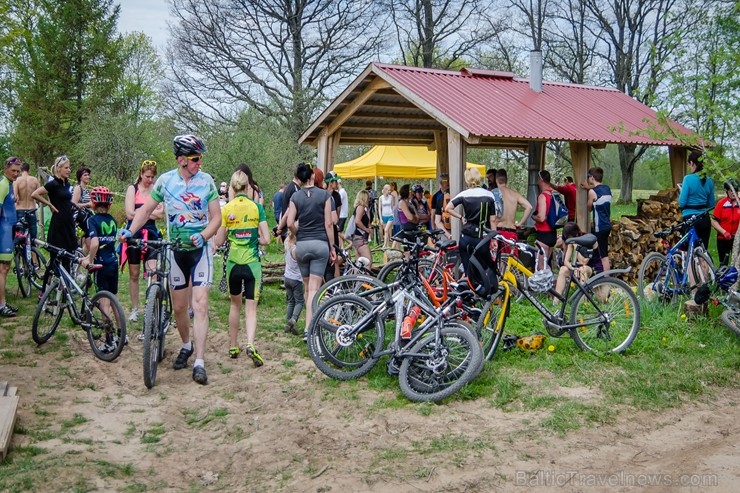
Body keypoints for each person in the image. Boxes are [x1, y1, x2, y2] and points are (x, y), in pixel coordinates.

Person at [119, 134, 220, 386]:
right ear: (182, 160)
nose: (200, 162)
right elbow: (144, 210)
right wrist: (129, 231)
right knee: (178, 308)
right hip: (175, 250)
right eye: (196, 158)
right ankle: (186, 345)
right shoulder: (165, 181)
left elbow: (217, 217)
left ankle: (199, 361)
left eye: (200, 158)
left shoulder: (206, 181)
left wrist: (204, 235)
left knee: (201, 305)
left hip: (200, 251)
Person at [215, 170, 269, 367]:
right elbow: (267, 239)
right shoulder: (256, 208)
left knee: (234, 305)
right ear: (248, 187)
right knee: (251, 308)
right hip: (252, 263)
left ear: (232, 187)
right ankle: (251, 344)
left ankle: (232, 345)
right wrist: (255, 239)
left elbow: (219, 240)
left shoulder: (226, 208)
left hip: (233, 264)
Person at [285, 163, 335, 333]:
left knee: (308, 288)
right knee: (315, 288)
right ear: (312, 176)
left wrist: (297, 233)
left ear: (299, 178)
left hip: (302, 246)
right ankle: (309, 329)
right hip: (320, 244)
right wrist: (333, 247)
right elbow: (329, 224)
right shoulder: (325, 195)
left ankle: (308, 322)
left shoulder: (295, 197)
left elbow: (290, 222)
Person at [123, 160, 164, 324]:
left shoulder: (155, 189)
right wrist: (148, 212)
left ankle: (151, 306)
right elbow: (129, 214)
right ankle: (134, 308)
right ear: (141, 174)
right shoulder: (132, 189)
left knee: (153, 271)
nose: (150, 180)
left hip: (152, 234)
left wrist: (144, 213)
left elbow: (161, 213)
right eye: (147, 176)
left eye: (153, 177)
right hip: (134, 233)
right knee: (134, 273)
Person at [80, 186, 120, 348]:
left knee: (104, 303)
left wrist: (89, 259)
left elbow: (95, 243)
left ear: (94, 204)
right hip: (113, 262)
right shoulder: (113, 220)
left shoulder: (92, 220)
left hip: (101, 265)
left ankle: (109, 340)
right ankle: (121, 334)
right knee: (114, 300)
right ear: (109, 205)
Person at [32, 156, 76, 295]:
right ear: (59, 169)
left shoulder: (67, 184)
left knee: (68, 258)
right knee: (54, 260)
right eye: (66, 167)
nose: (69, 170)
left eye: (69, 167)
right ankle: (44, 291)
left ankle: (65, 291)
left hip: (68, 223)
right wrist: (49, 204)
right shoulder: (53, 184)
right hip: (58, 225)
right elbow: (35, 194)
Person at [444, 167, 498, 274]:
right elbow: (493, 220)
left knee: (468, 270)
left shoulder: (464, 194)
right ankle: (482, 288)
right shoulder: (489, 195)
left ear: (467, 179)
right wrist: (494, 239)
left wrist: (461, 217)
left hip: (466, 237)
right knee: (485, 269)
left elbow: (448, 208)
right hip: (482, 237)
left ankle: (469, 287)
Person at [678, 150, 715, 258]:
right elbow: (711, 203)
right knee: (702, 253)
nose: (690, 167)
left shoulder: (688, 179)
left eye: (690, 164)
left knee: (689, 254)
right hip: (704, 219)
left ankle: (691, 275)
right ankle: (704, 274)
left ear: (692, 163)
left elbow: (682, 202)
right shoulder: (709, 181)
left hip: (690, 219)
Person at [554, 222, 603, 298]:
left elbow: (583, 262)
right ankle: (556, 301)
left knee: (583, 270)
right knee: (563, 270)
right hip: (578, 269)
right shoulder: (571, 242)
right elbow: (566, 261)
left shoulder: (588, 241)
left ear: (576, 234)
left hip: (593, 270)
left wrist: (577, 248)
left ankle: (582, 302)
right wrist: (573, 268)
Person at [0, 157, 21, 317]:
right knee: (4, 269)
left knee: (5, 268)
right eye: (13, 170)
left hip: (9, 230)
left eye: (17, 171)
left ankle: (3, 303)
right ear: (5, 169)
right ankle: (2, 306)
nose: (15, 173)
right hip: (4, 232)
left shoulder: (10, 184)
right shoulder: (3, 185)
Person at [495, 168, 533, 244]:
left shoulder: (494, 193)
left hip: (498, 232)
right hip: (511, 233)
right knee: (511, 256)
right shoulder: (514, 194)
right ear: (506, 180)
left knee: (497, 256)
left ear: (496, 180)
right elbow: (529, 207)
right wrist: (520, 223)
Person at [587, 167, 613, 272]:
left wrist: (588, 190)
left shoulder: (592, 192)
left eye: (588, 177)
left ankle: (606, 278)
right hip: (607, 225)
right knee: (603, 251)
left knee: (603, 255)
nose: (588, 179)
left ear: (592, 178)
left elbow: (589, 208)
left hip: (599, 226)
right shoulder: (607, 189)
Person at [531, 170, 557, 272]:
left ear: (541, 180)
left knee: (541, 266)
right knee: (545, 264)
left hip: (543, 235)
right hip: (552, 233)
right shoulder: (554, 194)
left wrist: (533, 217)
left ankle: (553, 286)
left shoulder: (543, 196)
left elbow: (541, 217)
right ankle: (550, 285)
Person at [711, 179, 739, 266]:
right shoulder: (721, 204)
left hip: (737, 238)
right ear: (726, 191)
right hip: (723, 238)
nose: (734, 193)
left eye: (736, 190)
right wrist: (724, 232)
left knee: (737, 262)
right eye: (731, 191)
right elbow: (714, 221)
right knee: (724, 262)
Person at [13, 162, 41, 246]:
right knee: (33, 237)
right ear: (29, 170)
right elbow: (40, 194)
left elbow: (14, 197)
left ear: (20, 170)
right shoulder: (35, 180)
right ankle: (34, 257)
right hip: (31, 209)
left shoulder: (17, 180)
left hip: (20, 210)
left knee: (21, 236)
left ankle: (23, 255)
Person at [283, 229, 303, 335]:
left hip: (287, 277)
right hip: (296, 279)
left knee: (291, 302)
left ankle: (288, 323)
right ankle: (293, 319)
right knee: (299, 301)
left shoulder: (286, 243)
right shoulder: (296, 250)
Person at [350, 190, 373, 269]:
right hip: (360, 237)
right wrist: (366, 229)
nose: (369, 199)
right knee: (368, 261)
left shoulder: (365, 209)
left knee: (358, 262)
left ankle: (356, 280)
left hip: (359, 238)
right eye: (368, 197)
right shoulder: (360, 207)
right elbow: (357, 221)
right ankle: (365, 280)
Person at [378, 184, 395, 248]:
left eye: (390, 190)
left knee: (386, 230)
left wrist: (393, 214)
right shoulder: (381, 198)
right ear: (385, 190)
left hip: (390, 215)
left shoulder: (391, 197)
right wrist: (381, 218)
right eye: (388, 190)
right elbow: (379, 208)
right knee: (386, 231)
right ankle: (387, 245)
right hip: (383, 215)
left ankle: (384, 245)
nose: (389, 192)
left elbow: (392, 206)